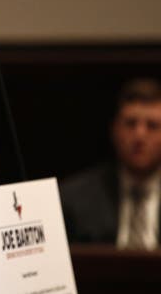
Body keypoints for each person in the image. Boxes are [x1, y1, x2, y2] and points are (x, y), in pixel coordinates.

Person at [60, 78, 161, 250]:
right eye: (130, 124)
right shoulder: (73, 200)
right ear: (114, 130)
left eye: (152, 126)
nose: (139, 136)